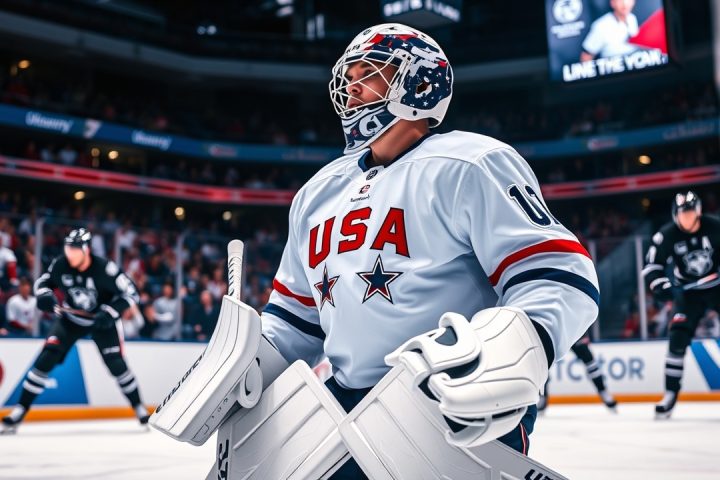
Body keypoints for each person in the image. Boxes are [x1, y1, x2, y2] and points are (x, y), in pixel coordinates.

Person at [260, 23, 599, 478]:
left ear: (419, 84)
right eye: (349, 76)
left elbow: (557, 272)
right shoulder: (316, 193)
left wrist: (513, 346)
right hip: (341, 409)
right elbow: (294, 319)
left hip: (448, 401)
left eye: (369, 73)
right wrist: (246, 364)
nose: (352, 87)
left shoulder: (472, 163)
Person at [1, 228, 149, 434]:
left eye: (75, 250)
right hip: (70, 321)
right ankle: (20, 410)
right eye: (68, 249)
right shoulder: (61, 264)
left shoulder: (105, 269)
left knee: (116, 364)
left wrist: (111, 311)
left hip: (102, 322)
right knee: (46, 358)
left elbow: (132, 293)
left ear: (86, 250)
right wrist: (43, 294)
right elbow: (43, 281)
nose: (69, 254)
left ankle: (139, 407)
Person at [642, 190, 720, 419]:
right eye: (683, 214)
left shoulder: (715, 226)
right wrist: (661, 285)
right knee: (677, 337)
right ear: (675, 215)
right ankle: (670, 394)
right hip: (688, 293)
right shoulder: (666, 235)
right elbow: (652, 266)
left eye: (690, 213)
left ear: (699, 212)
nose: (687, 218)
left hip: (717, 287)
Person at [537, 332, 617, 412]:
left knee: (590, 362)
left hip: (572, 331)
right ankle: (542, 396)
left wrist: (584, 332)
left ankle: (602, 390)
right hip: (552, 331)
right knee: (543, 364)